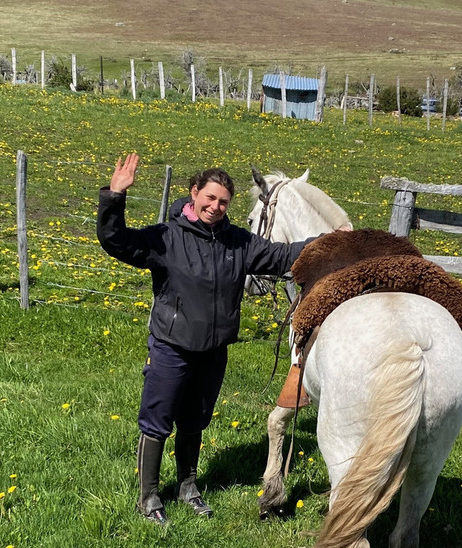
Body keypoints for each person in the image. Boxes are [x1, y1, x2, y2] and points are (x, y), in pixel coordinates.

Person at [97, 153, 314, 525]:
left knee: (196, 420)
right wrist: (114, 198)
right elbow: (116, 241)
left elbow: (282, 256)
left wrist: (333, 240)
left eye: (223, 201)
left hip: (213, 351)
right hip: (171, 346)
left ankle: (187, 487)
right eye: (209, 198)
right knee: (158, 421)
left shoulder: (238, 242)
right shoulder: (166, 238)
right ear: (194, 193)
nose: (215, 207)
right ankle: (149, 497)